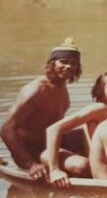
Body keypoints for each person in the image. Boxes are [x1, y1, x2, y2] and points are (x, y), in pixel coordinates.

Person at [1, 37, 82, 181]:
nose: (68, 67)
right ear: (52, 64)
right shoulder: (37, 90)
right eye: (63, 62)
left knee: (96, 126)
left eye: (73, 63)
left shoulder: (61, 86)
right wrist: (30, 164)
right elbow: (7, 129)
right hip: (33, 151)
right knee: (81, 166)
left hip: (52, 141)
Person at [42, 70, 107, 188]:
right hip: (86, 164)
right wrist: (55, 170)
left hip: (103, 162)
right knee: (83, 166)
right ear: (101, 92)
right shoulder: (99, 109)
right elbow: (53, 129)